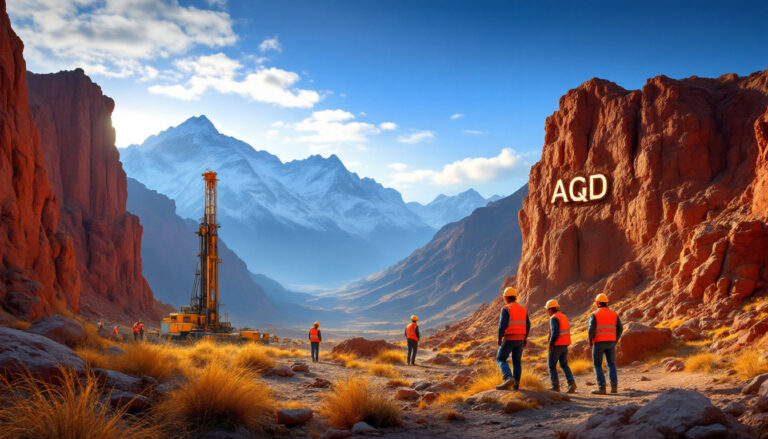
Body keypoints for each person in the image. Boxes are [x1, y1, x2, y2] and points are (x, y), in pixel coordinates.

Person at [495, 285, 530, 390]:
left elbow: (502, 324)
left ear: (506, 298)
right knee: (517, 362)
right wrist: (525, 338)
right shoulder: (523, 309)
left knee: (500, 358)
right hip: (520, 339)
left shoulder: (506, 309)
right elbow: (528, 324)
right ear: (515, 297)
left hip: (509, 338)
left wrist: (499, 337)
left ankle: (508, 377)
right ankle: (516, 385)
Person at [588, 293, 623, 394]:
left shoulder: (595, 314)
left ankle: (601, 388)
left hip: (599, 342)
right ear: (606, 303)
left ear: (598, 303)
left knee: (597, 365)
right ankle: (614, 388)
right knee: (611, 364)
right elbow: (620, 328)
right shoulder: (614, 314)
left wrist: (590, 341)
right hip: (611, 342)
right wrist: (616, 339)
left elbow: (591, 329)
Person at [545, 299, 576, 393]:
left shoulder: (554, 318)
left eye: (547, 310)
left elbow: (555, 332)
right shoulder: (563, 316)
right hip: (565, 345)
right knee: (564, 365)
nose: (547, 312)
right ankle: (571, 383)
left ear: (550, 309)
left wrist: (551, 344)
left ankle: (555, 386)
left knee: (551, 366)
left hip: (556, 345)